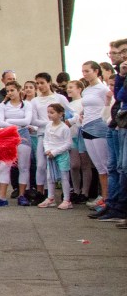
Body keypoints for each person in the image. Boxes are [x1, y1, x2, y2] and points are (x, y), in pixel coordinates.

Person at [78, 61, 111, 215]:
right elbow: (86, 107)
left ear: (96, 71)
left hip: (99, 125)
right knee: (98, 166)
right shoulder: (86, 90)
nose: (84, 74)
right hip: (86, 126)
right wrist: (82, 114)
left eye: (87, 71)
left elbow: (108, 107)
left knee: (104, 165)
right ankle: (104, 197)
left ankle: (108, 198)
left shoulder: (102, 89)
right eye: (83, 71)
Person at [0, 82, 36, 205]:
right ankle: (2, 197)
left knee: (23, 166)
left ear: (19, 90)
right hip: (8, 136)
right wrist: (16, 124)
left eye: (12, 90)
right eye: (7, 91)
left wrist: (8, 120)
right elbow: (0, 123)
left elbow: (27, 121)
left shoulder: (26, 105)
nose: (9, 93)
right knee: (4, 166)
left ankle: (22, 195)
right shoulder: (3, 106)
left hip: (23, 135)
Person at [39, 104, 73, 209]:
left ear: (60, 114)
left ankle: (67, 200)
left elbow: (68, 143)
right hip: (50, 155)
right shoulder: (48, 125)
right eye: (48, 112)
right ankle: (50, 198)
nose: (49, 115)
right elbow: (46, 139)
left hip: (61, 155)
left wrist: (55, 152)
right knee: (50, 177)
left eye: (52, 112)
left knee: (64, 177)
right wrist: (47, 150)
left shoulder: (64, 128)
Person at [65, 79, 93, 204]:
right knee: (74, 165)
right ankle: (76, 190)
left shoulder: (83, 102)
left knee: (85, 164)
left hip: (82, 134)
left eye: (71, 87)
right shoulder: (68, 105)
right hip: (72, 137)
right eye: (68, 87)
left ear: (79, 89)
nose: (69, 89)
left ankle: (85, 192)